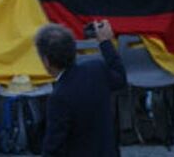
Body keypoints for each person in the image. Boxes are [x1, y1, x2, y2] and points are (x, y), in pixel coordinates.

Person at [37, 21, 126, 157]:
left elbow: (54, 146)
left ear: (46, 61)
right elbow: (120, 78)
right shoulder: (97, 68)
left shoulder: (58, 97)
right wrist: (105, 42)